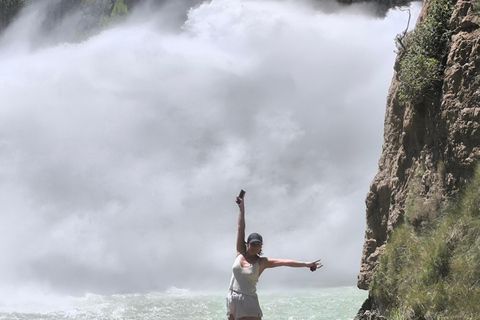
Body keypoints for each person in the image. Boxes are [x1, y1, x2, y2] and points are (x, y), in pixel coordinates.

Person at [226, 191, 323, 320]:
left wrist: (306, 264)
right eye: (253, 244)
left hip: (249, 300)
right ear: (247, 244)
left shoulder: (262, 262)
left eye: (258, 245)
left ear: (261, 247)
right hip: (232, 298)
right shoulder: (240, 252)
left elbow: (284, 262)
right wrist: (241, 208)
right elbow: (240, 228)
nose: (255, 247)